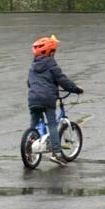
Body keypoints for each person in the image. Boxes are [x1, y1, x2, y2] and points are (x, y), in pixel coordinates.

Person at [27, 36, 83, 166]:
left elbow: (29, 83)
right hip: (47, 99)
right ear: (50, 53)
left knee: (33, 125)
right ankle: (57, 153)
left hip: (33, 98)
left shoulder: (32, 67)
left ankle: (28, 148)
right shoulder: (52, 66)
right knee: (52, 124)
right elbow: (63, 81)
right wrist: (75, 89)